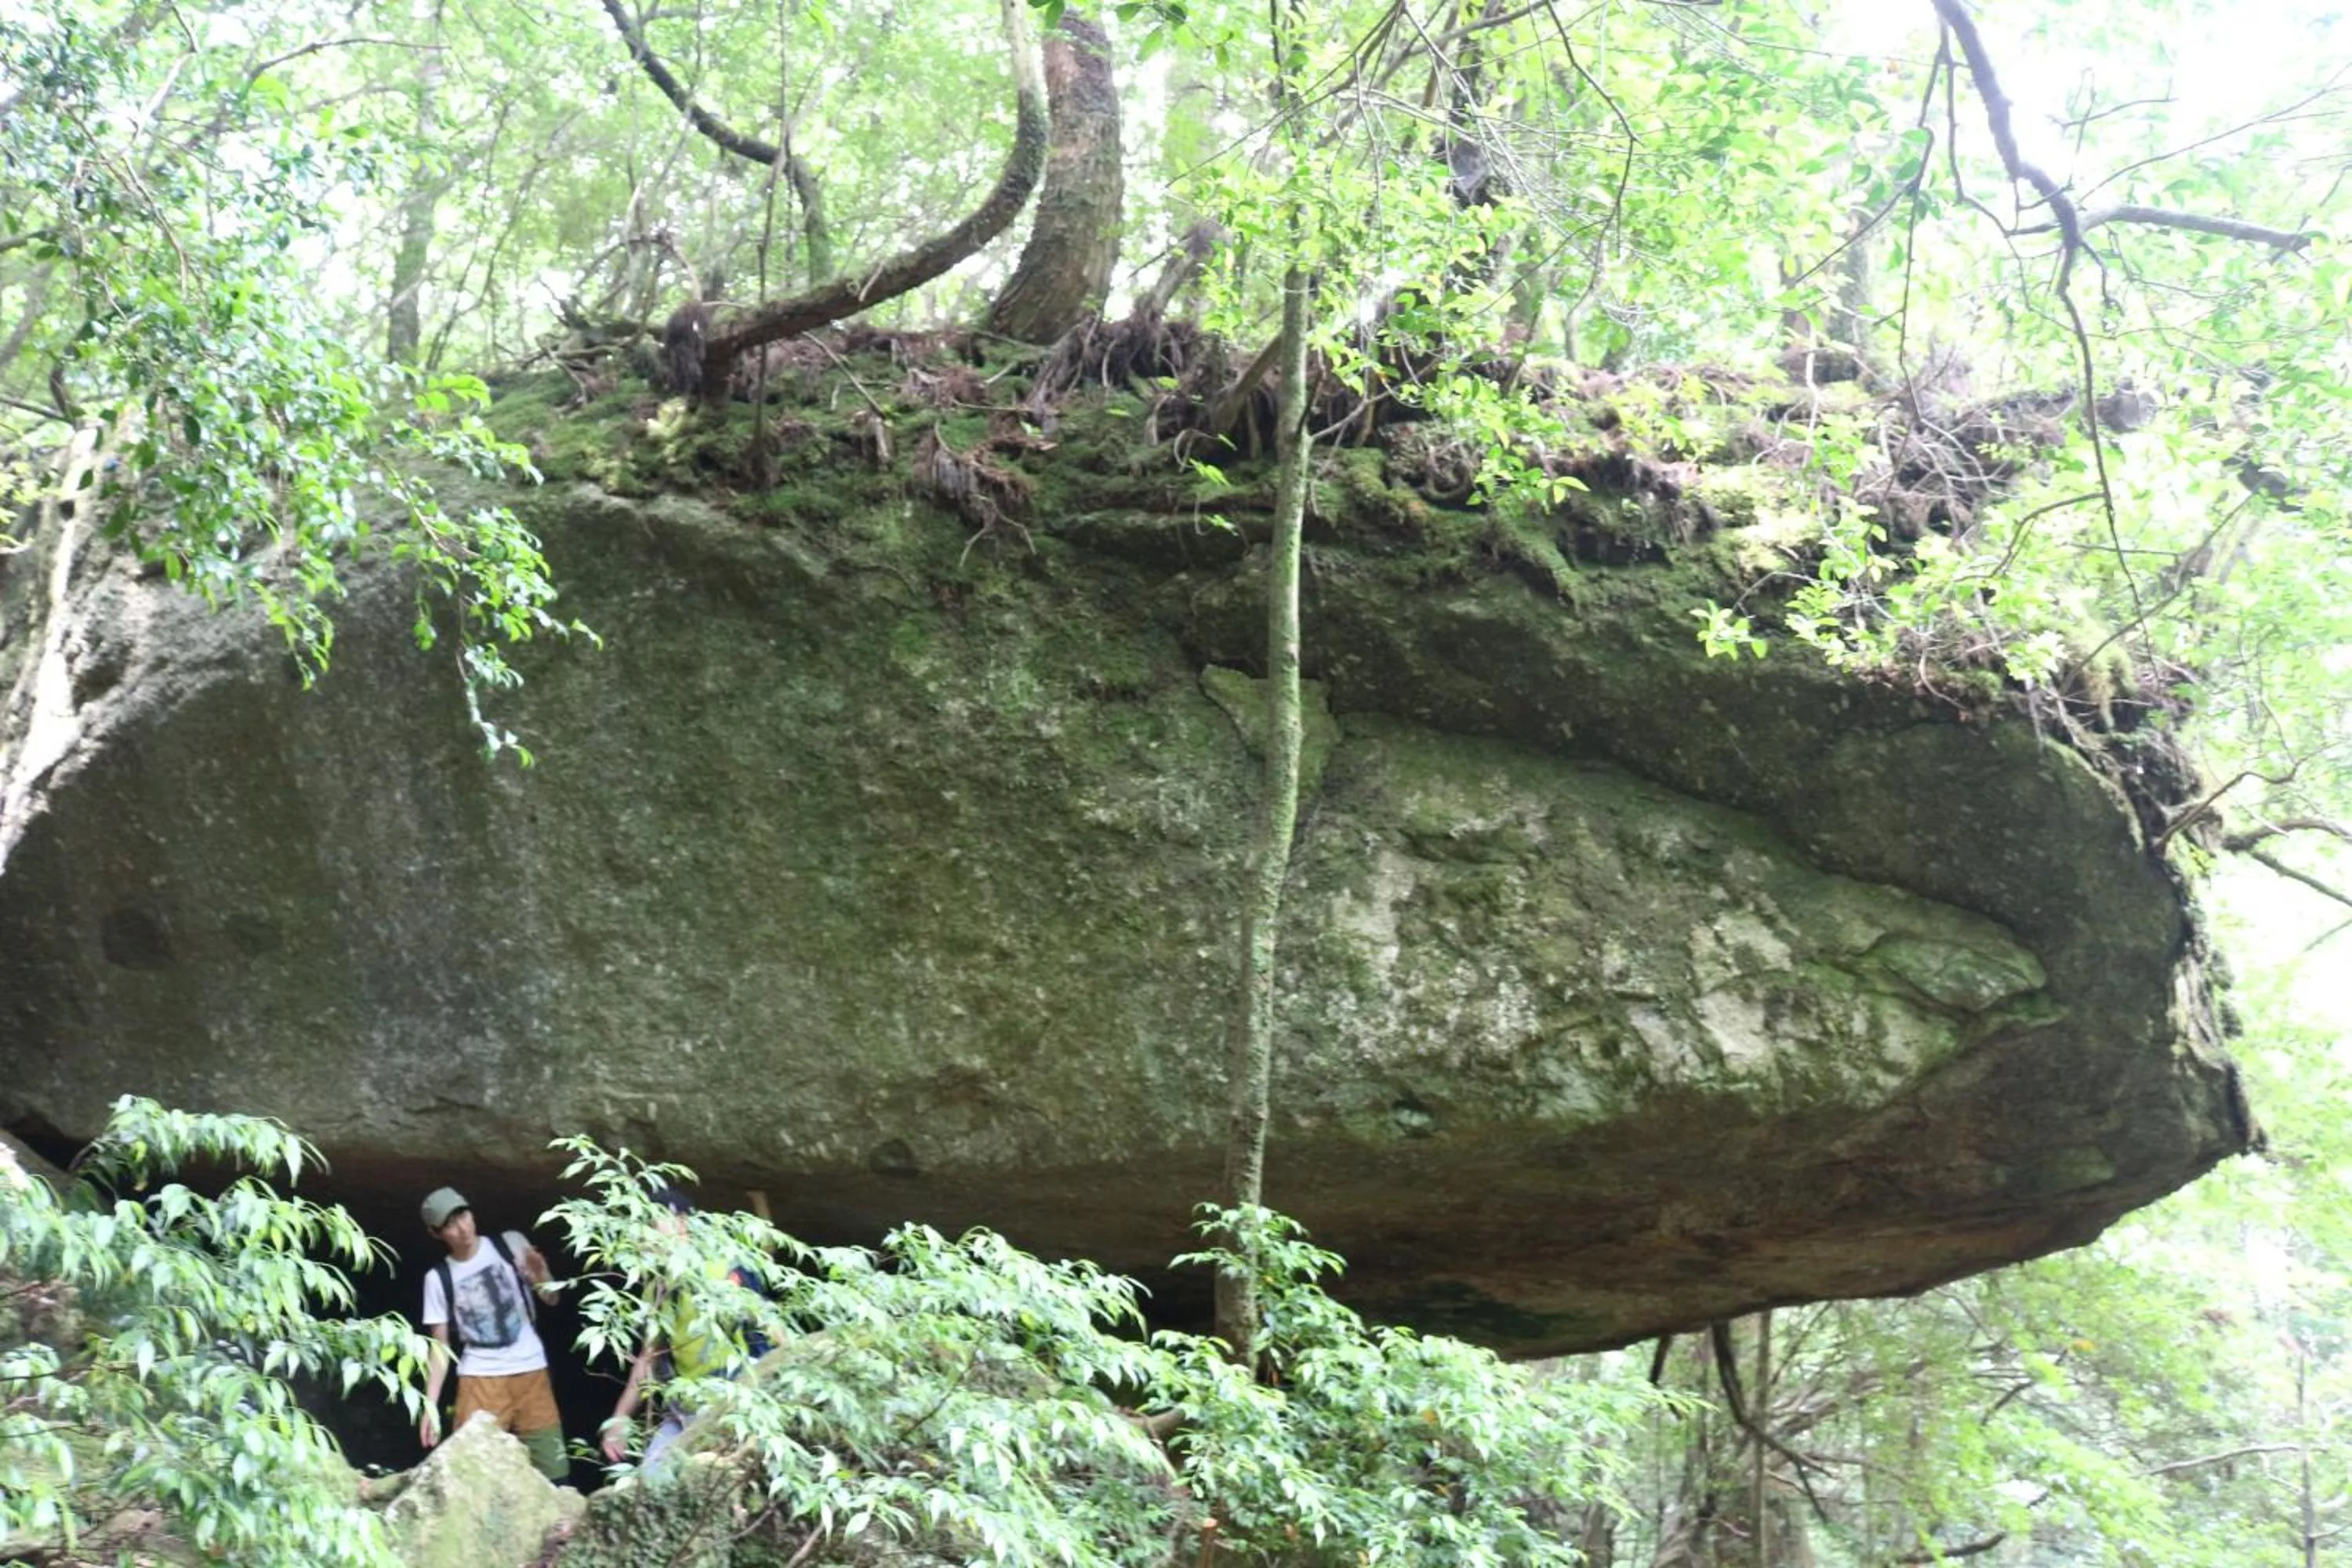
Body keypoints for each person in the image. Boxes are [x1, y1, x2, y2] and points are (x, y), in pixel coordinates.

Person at [599, 1185, 771, 1471]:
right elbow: (648, 1359)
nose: (644, 1236)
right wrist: (619, 1421)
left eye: (652, 1224)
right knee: (649, 1479)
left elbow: (772, 1330)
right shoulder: (656, 1288)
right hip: (684, 1408)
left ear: (682, 1224)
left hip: (730, 1400)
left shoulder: (722, 1270)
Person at [416, 1185, 568, 1482]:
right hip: (480, 1378)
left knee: (554, 1471)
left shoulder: (510, 1244)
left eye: (463, 1216)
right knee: (470, 1472)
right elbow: (440, 1346)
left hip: (531, 1371)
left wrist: (540, 1276)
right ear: (436, 1233)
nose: (462, 1228)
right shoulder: (438, 1278)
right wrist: (430, 1405)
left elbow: (552, 1298)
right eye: (450, 1225)